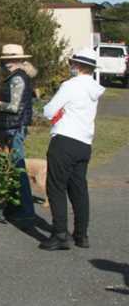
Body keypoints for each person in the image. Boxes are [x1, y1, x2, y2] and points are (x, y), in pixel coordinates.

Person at [39, 48, 105, 251]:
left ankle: (60, 233)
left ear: (77, 66)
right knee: (79, 188)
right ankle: (81, 234)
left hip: (65, 139)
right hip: (84, 142)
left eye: (72, 64)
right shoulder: (94, 88)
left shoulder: (70, 85)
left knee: (56, 187)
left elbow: (48, 111)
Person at [0, 44, 37, 225]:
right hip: (14, 126)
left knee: (18, 168)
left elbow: (14, 107)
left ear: (11, 61)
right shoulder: (17, 77)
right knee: (14, 168)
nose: (4, 64)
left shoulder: (17, 79)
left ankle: (25, 210)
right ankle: (16, 208)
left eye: (5, 61)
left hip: (14, 127)